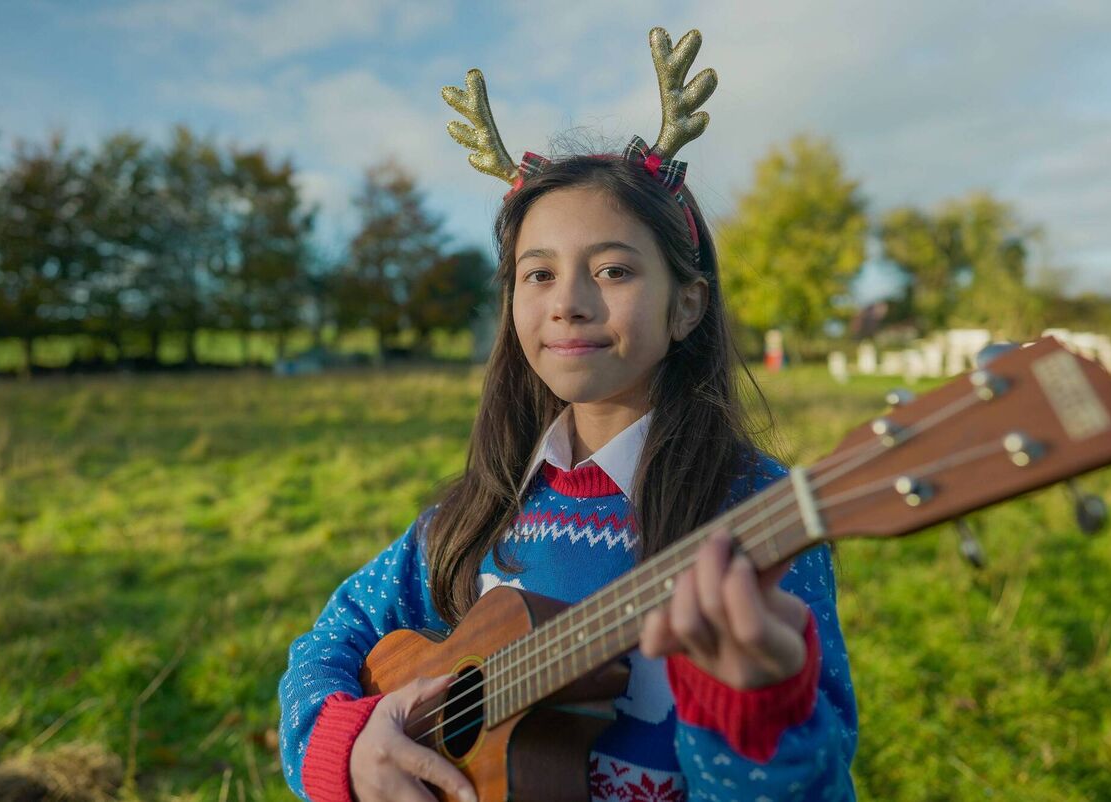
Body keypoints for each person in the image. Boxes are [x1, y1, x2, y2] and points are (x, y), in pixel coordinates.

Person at [278, 28, 857, 802]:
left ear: (688, 305)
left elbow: (811, 783)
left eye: (612, 270)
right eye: (538, 274)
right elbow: (331, 638)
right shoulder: (475, 513)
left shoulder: (760, 514)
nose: (568, 303)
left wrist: (755, 711)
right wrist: (350, 748)